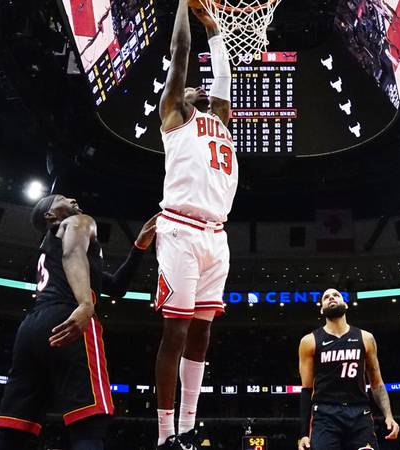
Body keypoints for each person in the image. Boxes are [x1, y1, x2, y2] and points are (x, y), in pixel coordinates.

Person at [0, 194, 158, 450]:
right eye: (61, 198)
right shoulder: (78, 221)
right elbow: (73, 251)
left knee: (10, 437)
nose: (72, 199)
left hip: (31, 329)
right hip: (66, 315)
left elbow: (117, 287)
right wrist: (86, 305)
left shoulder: (49, 247)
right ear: (50, 216)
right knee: (88, 429)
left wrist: (139, 247)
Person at [154, 1, 236, 449]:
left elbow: (223, 80)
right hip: (181, 231)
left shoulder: (218, 120)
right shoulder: (173, 115)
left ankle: (187, 428)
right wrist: (185, 9)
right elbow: (181, 52)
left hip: (216, 236)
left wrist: (217, 31)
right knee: (177, 331)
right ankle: (164, 434)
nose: (199, 91)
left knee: (202, 332)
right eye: (191, 90)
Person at [298, 289, 400, 450]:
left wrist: (389, 416)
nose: (331, 297)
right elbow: (306, 389)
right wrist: (303, 433)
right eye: (326, 297)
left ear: (345, 304)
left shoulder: (365, 338)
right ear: (322, 309)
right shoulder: (309, 341)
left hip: (359, 411)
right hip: (325, 413)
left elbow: (376, 382)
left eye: (336, 295)